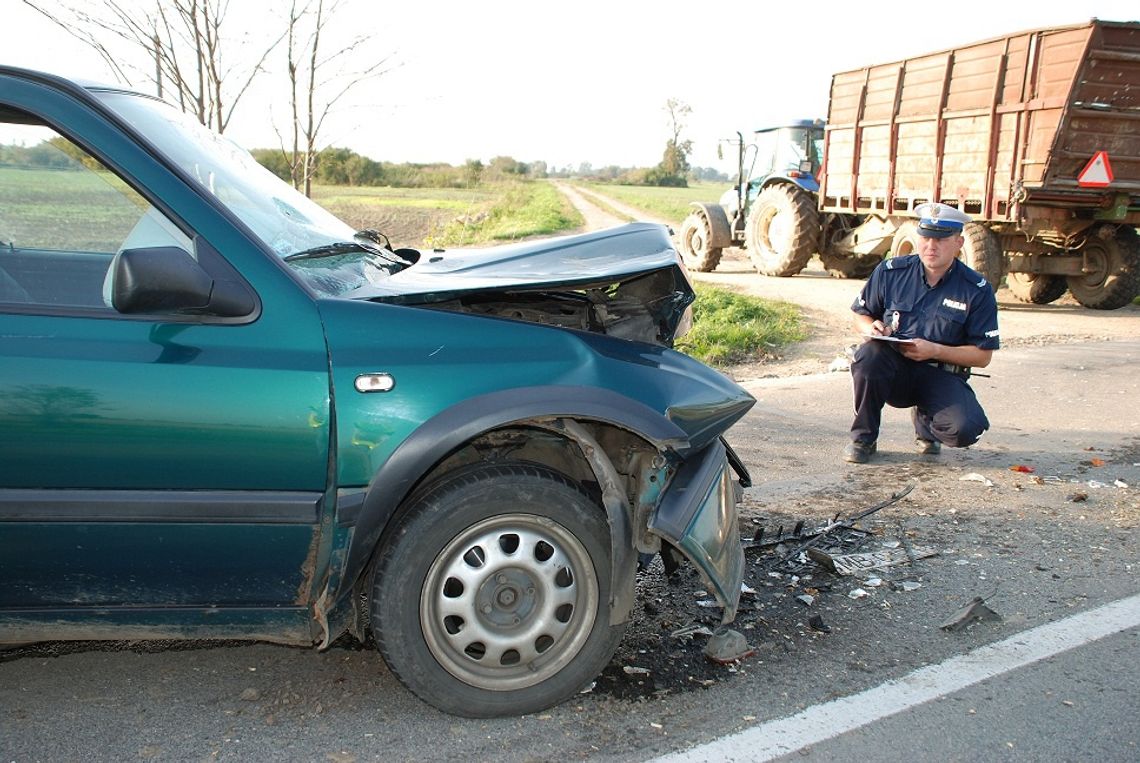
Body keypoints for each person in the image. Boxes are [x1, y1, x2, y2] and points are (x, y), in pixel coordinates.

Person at [843, 203, 1000, 463]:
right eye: (926, 238)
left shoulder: (976, 289)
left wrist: (936, 350)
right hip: (892, 370)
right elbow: (860, 314)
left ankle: (927, 423)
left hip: (940, 374)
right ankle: (863, 439)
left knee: (965, 429)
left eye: (940, 239)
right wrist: (870, 327)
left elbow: (982, 356)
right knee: (869, 355)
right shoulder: (891, 272)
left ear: (958, 242)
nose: (931, 246)